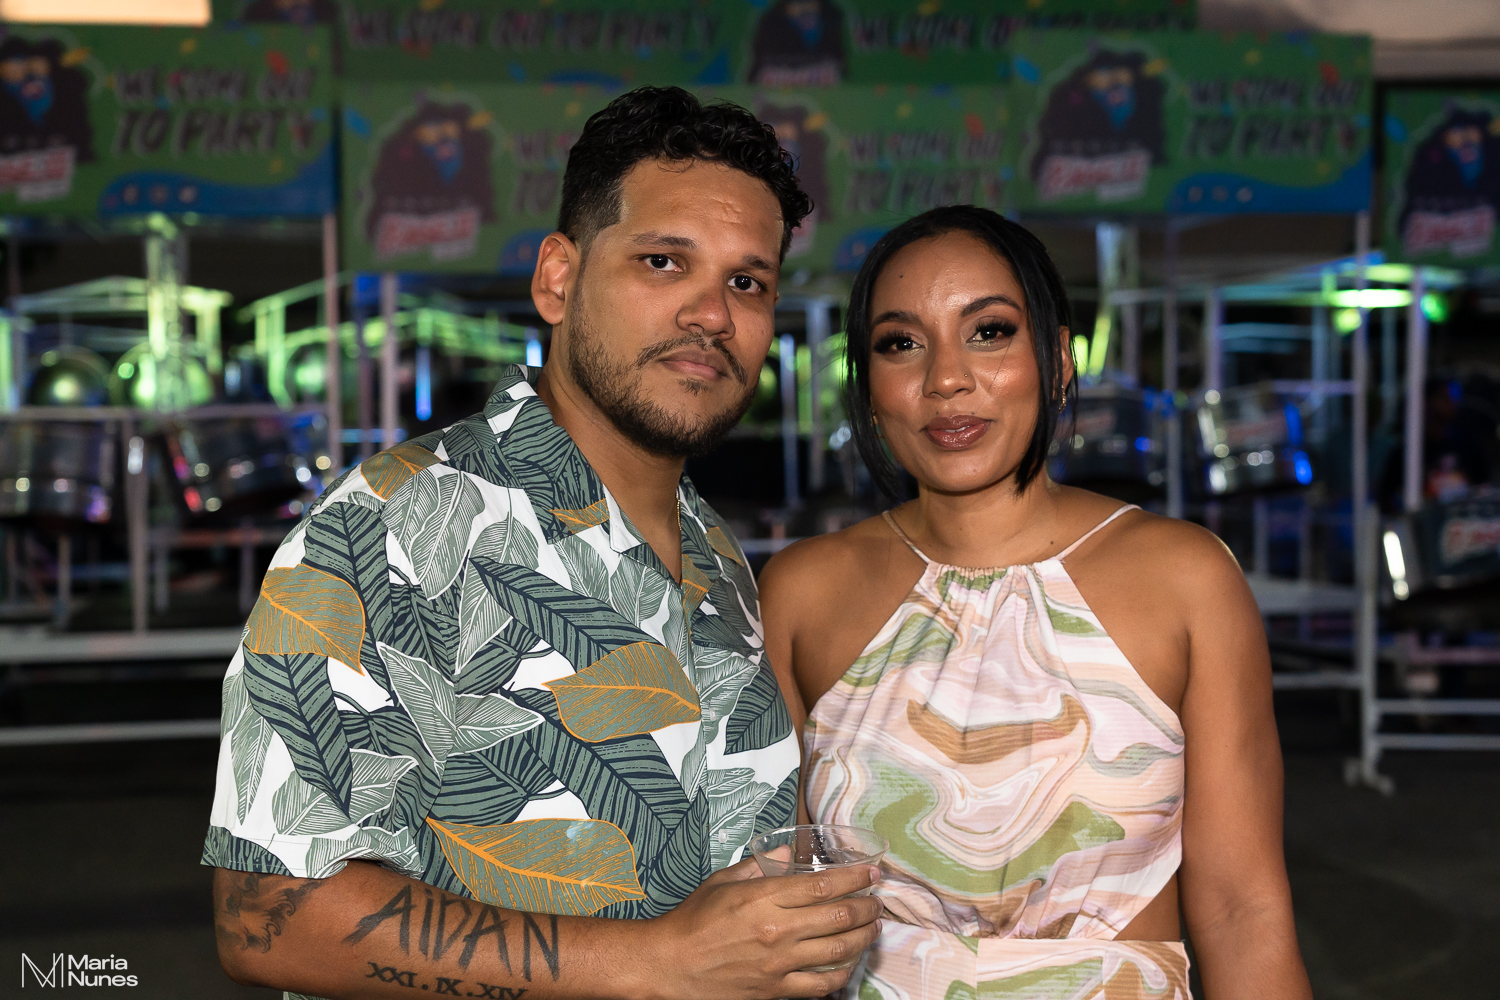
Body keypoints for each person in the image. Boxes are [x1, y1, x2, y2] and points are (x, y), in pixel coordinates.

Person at [203, 86, 882, 1000]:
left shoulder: (715, 556)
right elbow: (264, 915)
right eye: (663, 261)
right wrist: (658, 961)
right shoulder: (398, 523)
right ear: (558, 280)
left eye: (746, 282)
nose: (712, 314)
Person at [760, 205, 1313, 1000]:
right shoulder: (803, 591)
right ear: (868, 385)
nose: (946, 379)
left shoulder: (1187, 579)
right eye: (901, 343)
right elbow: (772, 896)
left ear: (1057, 361)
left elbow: (1242, 912)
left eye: (988, 332)